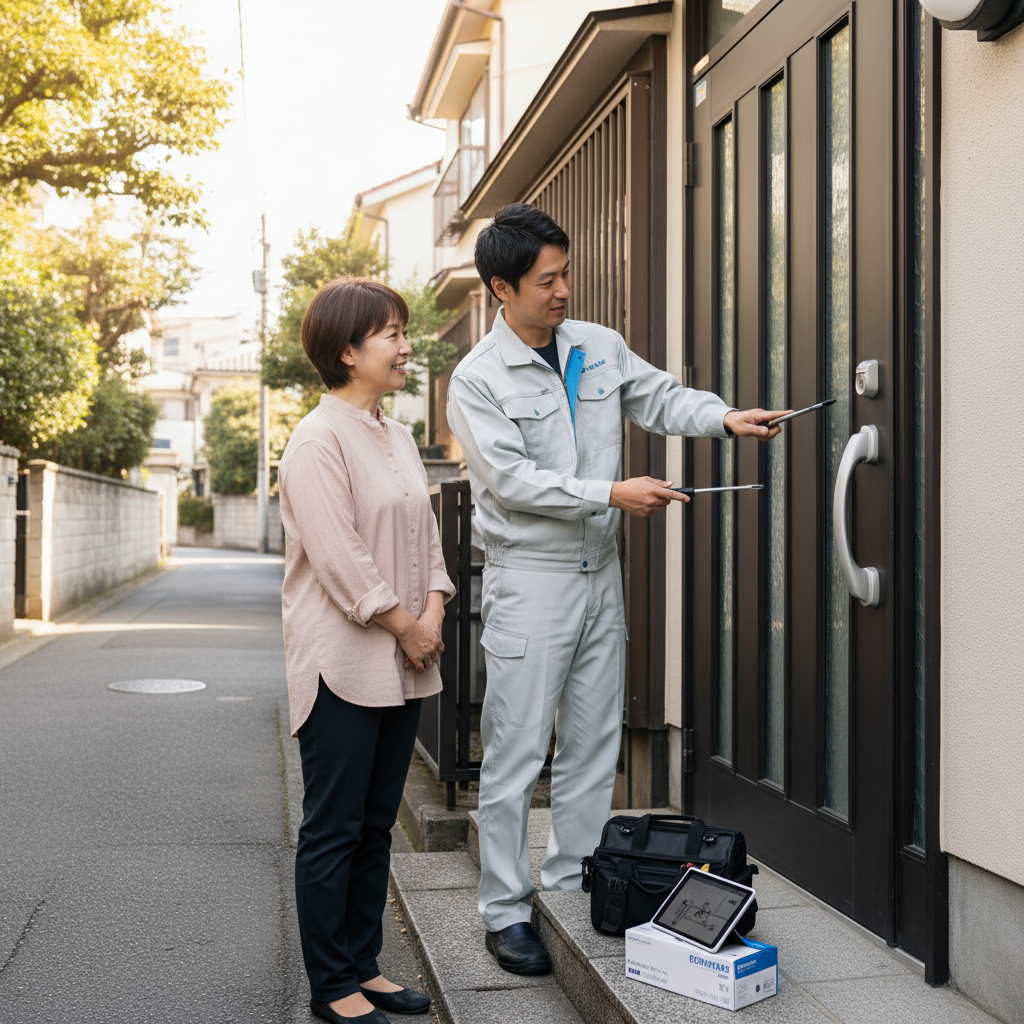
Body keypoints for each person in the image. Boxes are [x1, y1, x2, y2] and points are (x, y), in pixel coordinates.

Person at [446, 203, 789, 974]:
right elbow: (511, 479)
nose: (564, 290)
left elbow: (663, 398)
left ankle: (570, 888)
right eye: (547, 280)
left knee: (595, 746)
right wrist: (612, 494)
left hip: (602, 577)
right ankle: (505, 910)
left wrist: (727, 417)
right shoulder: (477, 379)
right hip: (530, 582)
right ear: (503, 288)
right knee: (515, 753)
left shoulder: (597, 347)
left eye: (567, 273)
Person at [278, 278, 455, 1023]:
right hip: (343, 662)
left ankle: (364, 964)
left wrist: (435, 610)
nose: (407, 346)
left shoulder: (393, 434)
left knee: (377, 823)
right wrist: (405, 625)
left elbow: (428, 537)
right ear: (347, 351)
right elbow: (342, 556)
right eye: (392, 334)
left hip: (402, 656)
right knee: (334, 827)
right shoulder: (316, 440)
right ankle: (331, 986)